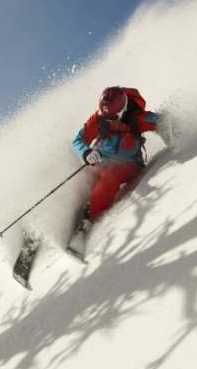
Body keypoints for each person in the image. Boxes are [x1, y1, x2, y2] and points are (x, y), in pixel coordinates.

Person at [13, 86, 161, 288]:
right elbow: (78, 140)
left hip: (127, 166)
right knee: (76, 184)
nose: (106, 121)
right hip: (99, 162)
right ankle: (34, 235)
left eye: (111, 117)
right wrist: (86, 152)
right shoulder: (99, 119)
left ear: (123, 110)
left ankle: (86, 223)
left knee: (110, 177)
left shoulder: (138, 118)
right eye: (104, 116)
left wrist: (170, 126)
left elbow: (161, 122)